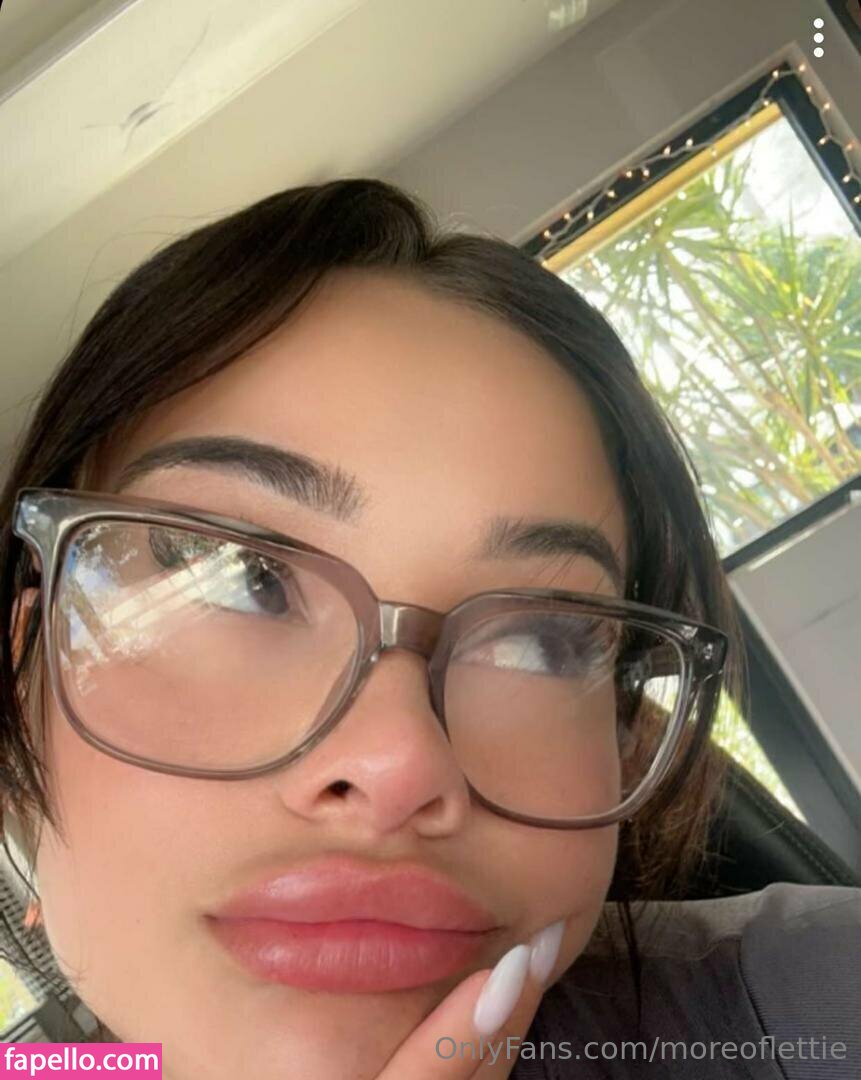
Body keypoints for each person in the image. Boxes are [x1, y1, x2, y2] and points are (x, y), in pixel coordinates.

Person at [0, 178, 856, 1079]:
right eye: (246, 581)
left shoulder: (807, 1006)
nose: (399, 764)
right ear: (23, 685)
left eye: (542, 639)